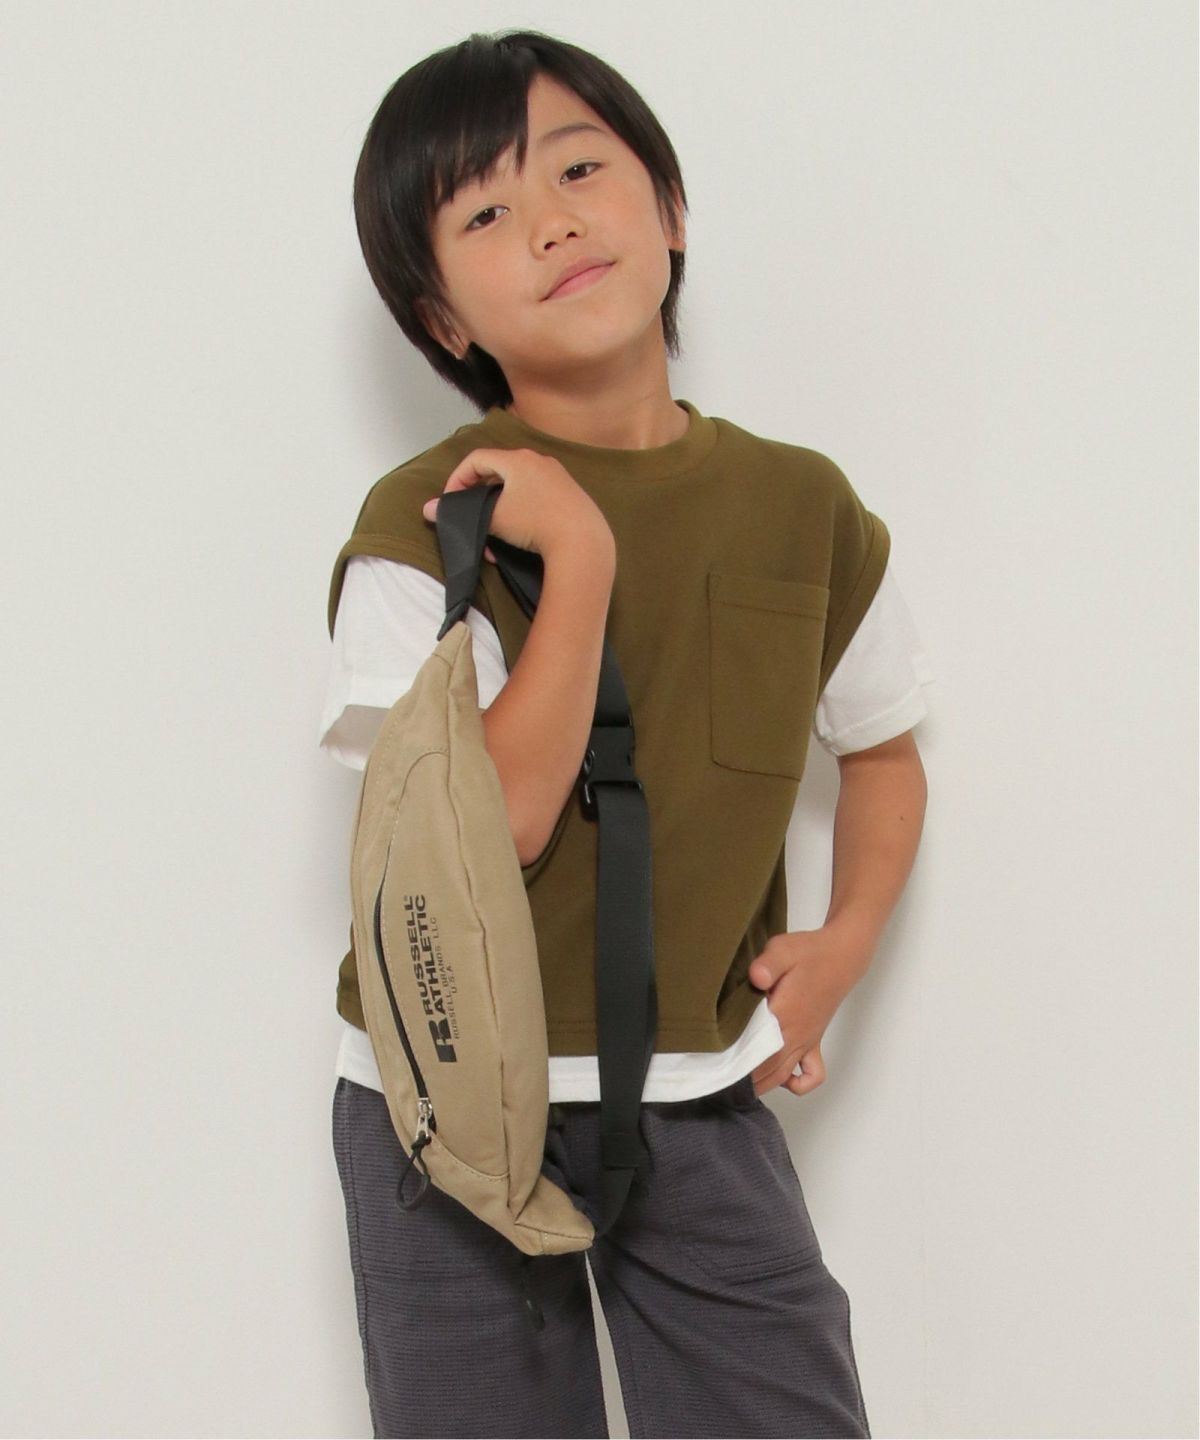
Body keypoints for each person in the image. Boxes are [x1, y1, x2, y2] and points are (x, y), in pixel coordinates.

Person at [321, 29, 933, 1440]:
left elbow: (884, 749)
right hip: (446, 1102)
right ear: (442, 317)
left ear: (670, 209)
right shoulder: (421, 522)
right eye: (485, 213)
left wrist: (843, 946)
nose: (550, 221)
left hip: (697, 1087)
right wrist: (579, 563)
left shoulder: (802, 507)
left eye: (580, 170)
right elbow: (494, 827)